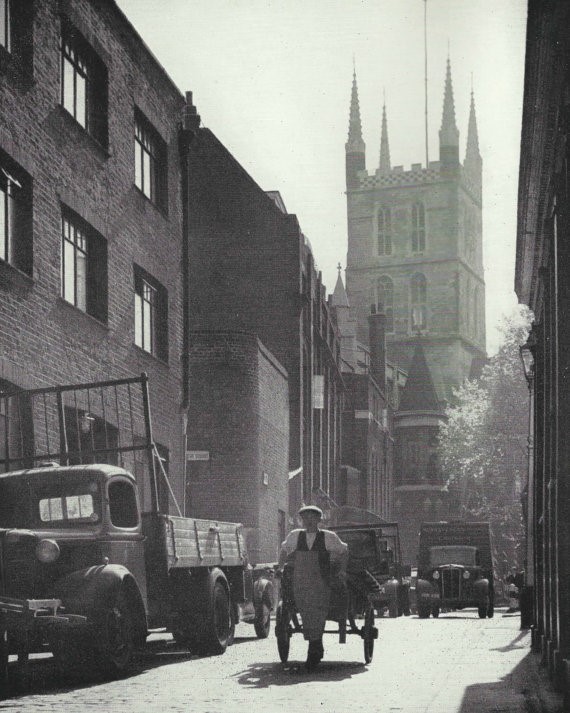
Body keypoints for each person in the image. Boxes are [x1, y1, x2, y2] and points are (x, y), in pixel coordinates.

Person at [278, 505, 348, 671]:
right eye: (305, 518)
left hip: (321, 582)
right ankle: (316, 647)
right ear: (302, 520)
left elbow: (344, 551)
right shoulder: (295, 536)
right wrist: (280, 567)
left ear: (319, 519)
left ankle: (313, 650)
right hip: (300, 583)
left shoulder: (328, 537)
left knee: (317, 614)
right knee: (307, 614)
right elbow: (283, 550)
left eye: (312, 517)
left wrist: (342, 571)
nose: (308, 521)